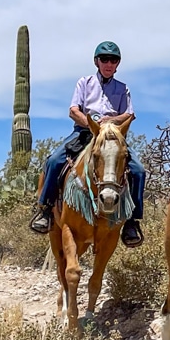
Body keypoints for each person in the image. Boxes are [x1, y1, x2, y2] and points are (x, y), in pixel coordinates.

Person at [29, 41, 146, 248]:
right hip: (84, 132)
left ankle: (132, 221)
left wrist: (110, 123)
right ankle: (46, 210)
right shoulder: (84, 82)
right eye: (105, 59)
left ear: (117, 64)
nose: (109, 63)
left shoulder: (123, 88)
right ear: (96, 61)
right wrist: (91, 125)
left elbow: (129, 114)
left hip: (112, 136)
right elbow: (73, 110)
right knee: (54, 161)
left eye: (113, 60)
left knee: (138, 170)